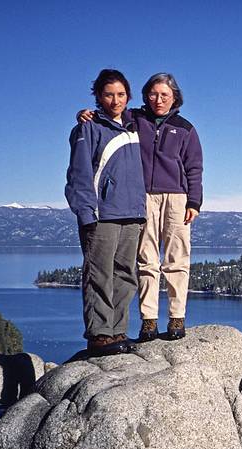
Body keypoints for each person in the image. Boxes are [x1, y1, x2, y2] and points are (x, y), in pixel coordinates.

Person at [78, 72, 203, 342]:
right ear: (146, 95)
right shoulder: (134, 119)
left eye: (165, 95)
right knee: (146, 259)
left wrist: (194, 200)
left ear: (174, 97)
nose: (159, 100)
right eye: (153, 94)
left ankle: (177, 317)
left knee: (177, 259)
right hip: (141, 196)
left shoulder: (185, 128)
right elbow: (108, 114)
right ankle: (149, 321)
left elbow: (194, 167)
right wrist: (85, 114)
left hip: (177, 198)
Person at [65, 69, 146, 356]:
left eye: (121, 94)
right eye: (109, 94)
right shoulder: (88, 128)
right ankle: (100, 335)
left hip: (133, 213)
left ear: (129, 96)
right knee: (99, 274)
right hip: (102, 215)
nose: (115, 100)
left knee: (125, 274)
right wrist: (86, 212)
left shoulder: (136, 125)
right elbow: (78, 174)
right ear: (98, 96)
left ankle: (117, 331)